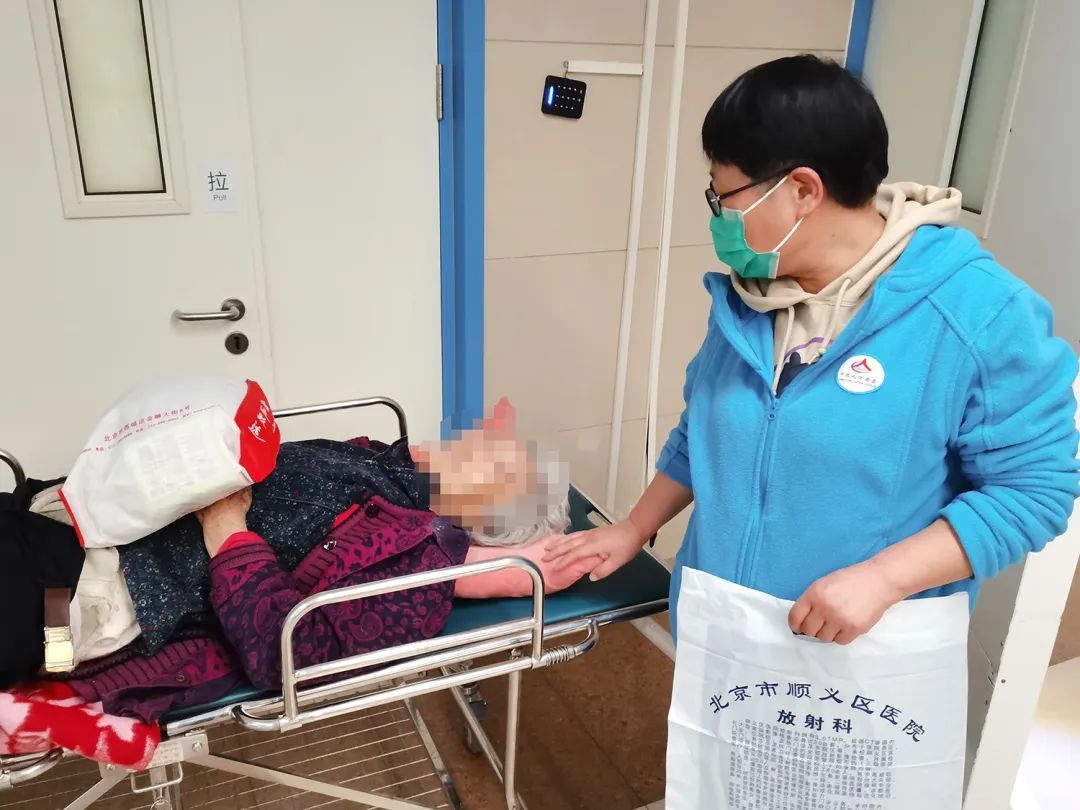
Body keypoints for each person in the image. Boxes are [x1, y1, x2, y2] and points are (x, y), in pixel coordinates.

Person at [546, 54, 1079, 645]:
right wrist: (634, 527)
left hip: (858, 657)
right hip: (727, 631)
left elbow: (1033, 491)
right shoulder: (751, 298)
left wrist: (884, 579)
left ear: (801, 190)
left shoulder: (976, 313)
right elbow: (704, 432)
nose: (720, 219)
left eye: (725, 197)